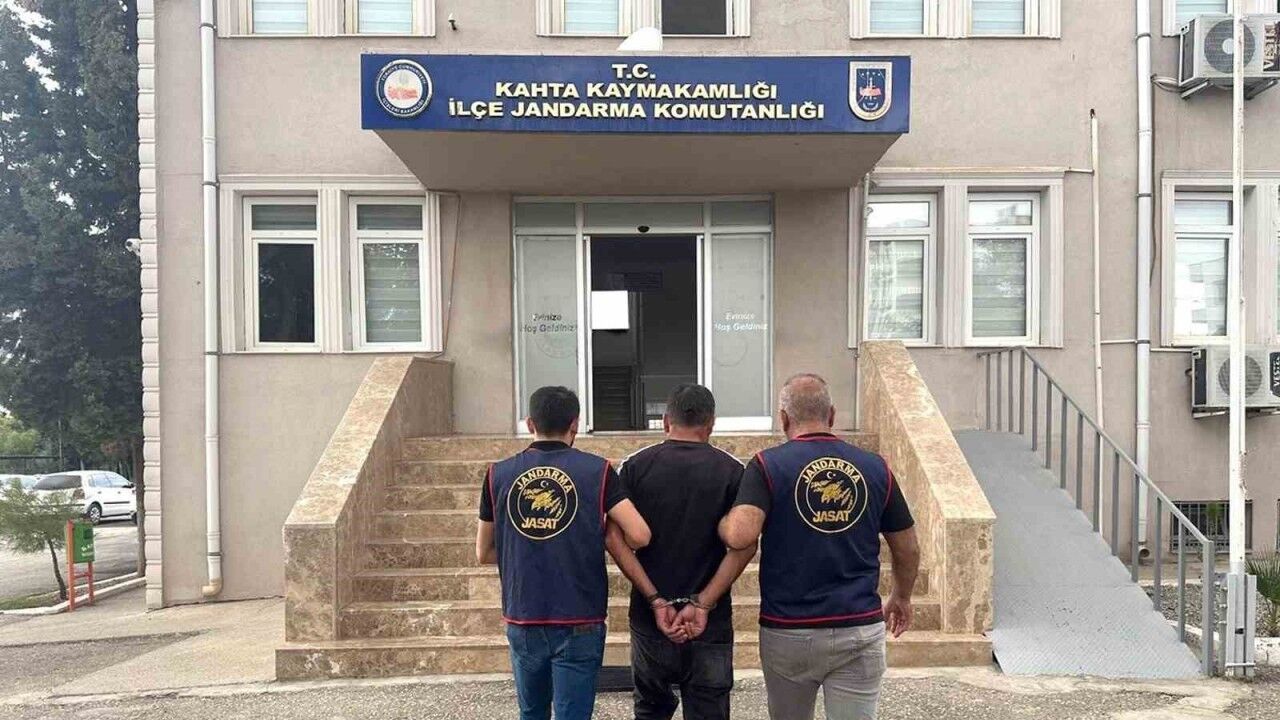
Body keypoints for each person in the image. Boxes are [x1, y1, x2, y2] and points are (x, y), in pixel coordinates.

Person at [718, 373, 920, 720]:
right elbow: (908, 547)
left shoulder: (767, 465)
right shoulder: (876, 468)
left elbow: (739, 536)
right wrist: (902, 596)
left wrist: (722, 521)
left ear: (784, 418)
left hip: (789, 629)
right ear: (832, 415)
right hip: (858, 626)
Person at [476, 386, 652, 720]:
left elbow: (483, 552)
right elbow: (640, 535)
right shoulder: (598, 471)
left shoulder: (497, 474)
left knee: (532, 713)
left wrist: (530, 541)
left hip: (523, 614)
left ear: (530, 423)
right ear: (575, 423)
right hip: (579, 615)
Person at [605, 384, 756, 720]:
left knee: (650, 710)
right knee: (710, 710)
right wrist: (703, 603)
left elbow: (613, 538)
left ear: (665, 421)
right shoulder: (733, 471)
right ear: (711, 424)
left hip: (650, 618)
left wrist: (655, 599)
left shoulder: (635, 466)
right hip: (710, 622)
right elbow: (745, 544)